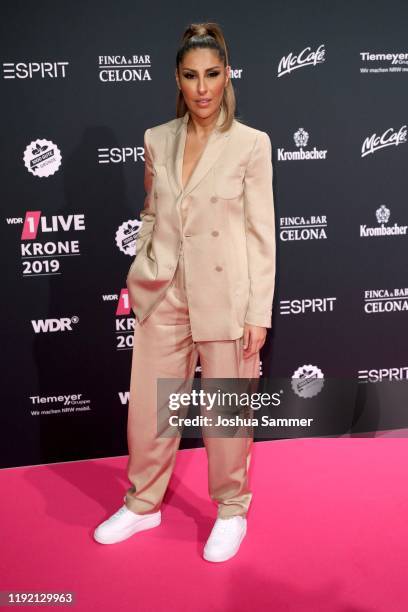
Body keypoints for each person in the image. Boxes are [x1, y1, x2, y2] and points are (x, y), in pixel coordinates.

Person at [94, 21, 276, 563]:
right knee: (152, 409)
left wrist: (257, 311)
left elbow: (260, 234)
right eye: (192, 75)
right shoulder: (157, 138)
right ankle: (143, 502)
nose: (202, 88)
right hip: (164, 293)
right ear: (178, 77)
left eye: (212, 75)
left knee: (226, 412)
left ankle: (231, 510)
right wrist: (144, 263)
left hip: (226, 296)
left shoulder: (251, 144)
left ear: (227, 76)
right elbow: (151, 211)